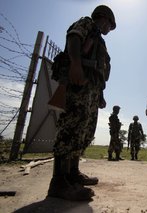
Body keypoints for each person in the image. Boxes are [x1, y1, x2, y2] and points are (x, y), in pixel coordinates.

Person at [47, 5, 116, 201]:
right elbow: (74, 38)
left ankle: (72, 174)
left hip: (92, 90)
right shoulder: (87, 23)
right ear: (104, 19)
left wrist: (100, 94)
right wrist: (76, 65)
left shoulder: (100, 41)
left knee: (84, 132)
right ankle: (58, 182)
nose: (109, 30)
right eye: (110, 26)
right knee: (71, 128)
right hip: (78, 83)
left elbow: (100, 70)